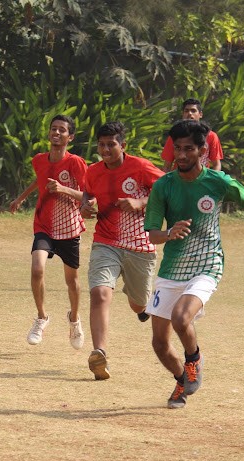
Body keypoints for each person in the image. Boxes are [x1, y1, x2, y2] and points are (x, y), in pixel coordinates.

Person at [144, 120, 244, 409]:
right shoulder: (163, 187)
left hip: (207, 265)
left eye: (188, 149)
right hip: (172, 269)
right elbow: (153, 233)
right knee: (160, 344)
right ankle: (182, 379)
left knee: (181, 318)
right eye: (177, 149)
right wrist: (169, 233)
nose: (181, 155)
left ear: (203, 150)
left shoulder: (217, 182)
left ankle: (193, 360)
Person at [79, 121, 164, 380]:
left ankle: (141, 310)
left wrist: (140, 201)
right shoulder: (93, 171)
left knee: (138, 303)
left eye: (111, 145)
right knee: (100, 293)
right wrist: (85, 207)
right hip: (106, 242)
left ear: (123, 145)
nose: (105, 149)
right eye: (101, 145)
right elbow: (87, 194)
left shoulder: (140, 167)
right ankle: (99, 353)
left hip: (140, 245)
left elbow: (167, 190)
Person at [9, 114, 87, 349]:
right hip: (44, 225)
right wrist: (20, 198)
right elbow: (40, 179)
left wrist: (63, 188)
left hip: (70, 227)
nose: (56, 133)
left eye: (62, 130)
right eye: (54, 129)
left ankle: (74, 319)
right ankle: (41, 318)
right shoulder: (39, 160)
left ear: (70, 137)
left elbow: (88, 195)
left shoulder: (75, 163)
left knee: (71, 281)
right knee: (37, 269)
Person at [161, 98, 223, 172]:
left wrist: (212, 181)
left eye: (193, 111)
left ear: (200, 114)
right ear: (183, 114)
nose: (189, 113)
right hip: (179, 179)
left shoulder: (211, 136)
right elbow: (167, 166)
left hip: (202, 180)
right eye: (186, 111)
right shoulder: (175, 136)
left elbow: (216, 165)